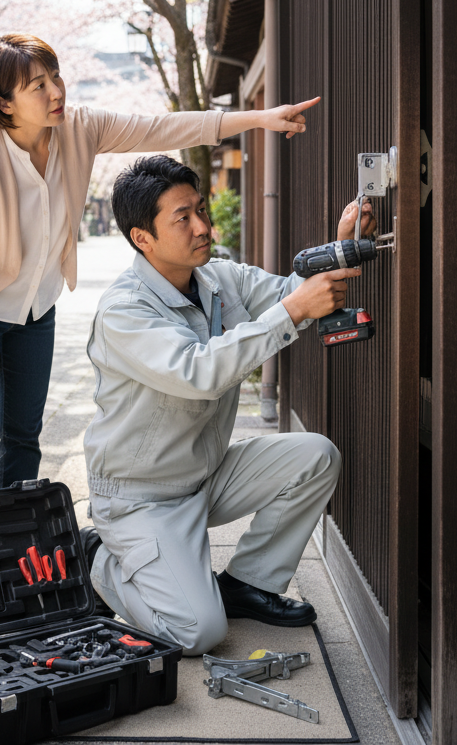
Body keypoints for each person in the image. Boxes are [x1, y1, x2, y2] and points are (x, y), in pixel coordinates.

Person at [0, 33, 320, 496]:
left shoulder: (78, 128)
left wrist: (258, 119)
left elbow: (160, 127)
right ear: (5, 102)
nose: (57, 92)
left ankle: (16, 548)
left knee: (24, 437)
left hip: (37, 309)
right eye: (38, 86)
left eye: (55, 77)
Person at [81, 154, 376, 655]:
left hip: (206, 474)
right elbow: (197, 372)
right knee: (197, 633)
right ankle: (97, 560)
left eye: (200, 209)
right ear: (142, 238)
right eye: (183, 217)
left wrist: (343, 245)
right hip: (141, 497)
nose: (202, 226)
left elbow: (292, 294)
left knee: (315, 457)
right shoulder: (123, 310)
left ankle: (249, 584)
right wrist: (294, 309)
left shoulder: (220, 278)